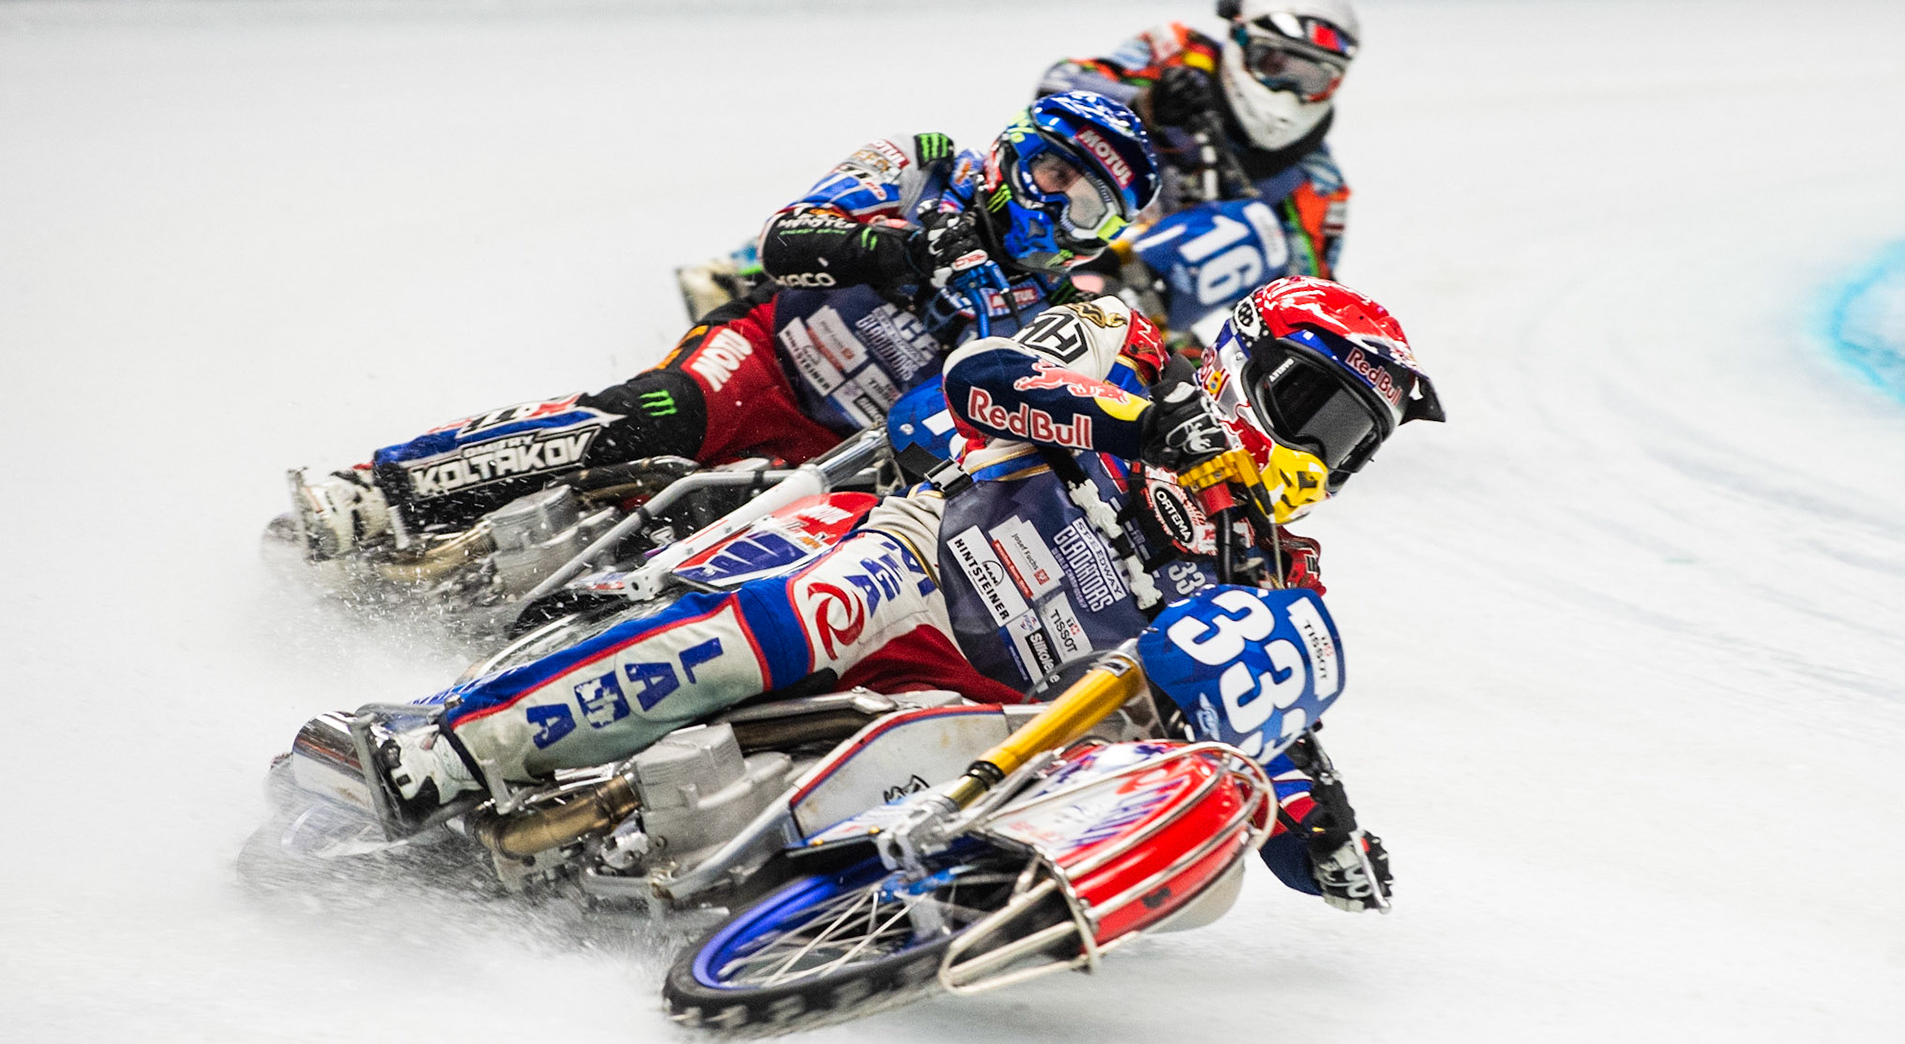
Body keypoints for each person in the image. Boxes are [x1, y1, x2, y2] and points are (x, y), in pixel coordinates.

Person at [375, 277, 1444, 910]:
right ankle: (452, 742)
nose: (1323, 453)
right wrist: (1132, 423)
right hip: (920, 561)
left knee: (959, 800)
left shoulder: (1273, 565)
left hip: (1002, 709)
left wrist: (1323, 832)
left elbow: (1256, 717)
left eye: (1352, 443)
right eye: (1316, 410)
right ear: (1249, 363)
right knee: (803, 619)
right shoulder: (1136, 353)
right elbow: (981, 378)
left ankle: (694, 882)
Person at [292, 92, 1161, 562]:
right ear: (1015, 151)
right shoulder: (926, 161)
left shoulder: (1054, 311)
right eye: (1053, 170)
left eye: (1088, 204)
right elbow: (787, 243)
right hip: (766, 354)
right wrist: (897, 253)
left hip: (846, 455)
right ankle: (381, 487)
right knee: (651, 417)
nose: (1058, 206)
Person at [1036, 0, 1361, 335]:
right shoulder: (1181, 52)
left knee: (1255, 228)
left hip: (1145, 321)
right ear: (1240, 40)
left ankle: (1112, 321)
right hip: (1057, 234)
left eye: (1309, 78)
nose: (1287, 87)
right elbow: (1056, 87)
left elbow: (1306, 314)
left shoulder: (1318, 183)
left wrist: (1233, 236)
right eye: (1273, 64)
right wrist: (1143, 104)